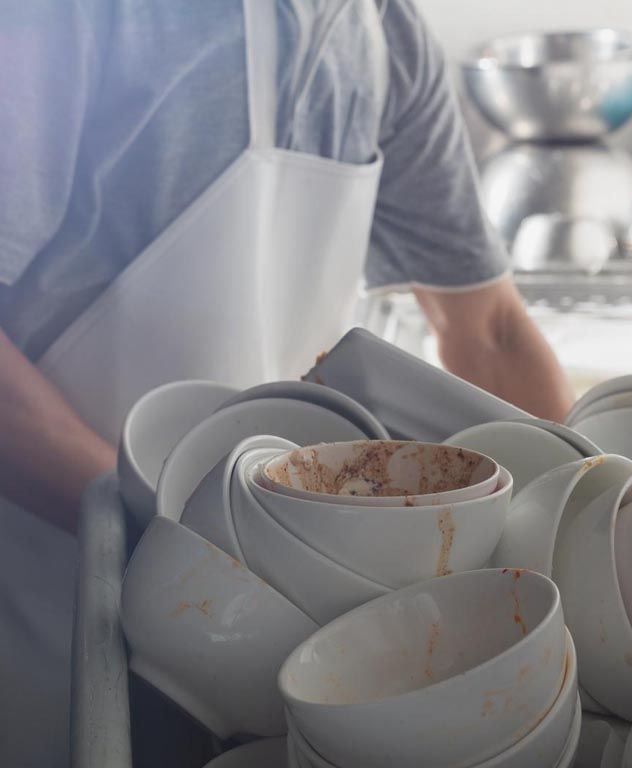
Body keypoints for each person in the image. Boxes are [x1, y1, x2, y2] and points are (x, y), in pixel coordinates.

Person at [0, 1, 574, 764]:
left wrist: (581, 533)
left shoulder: (382, 31)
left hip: (279, 587)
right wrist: (181, 546)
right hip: (62, 588)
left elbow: (488, 329)